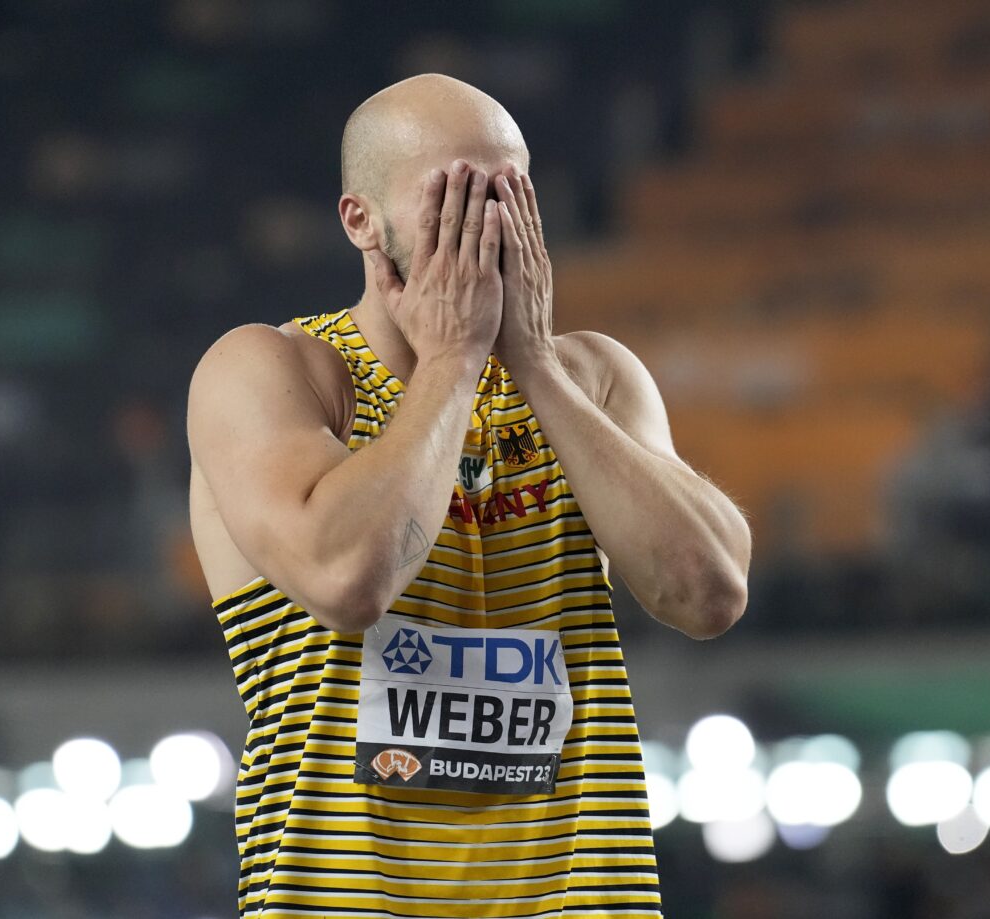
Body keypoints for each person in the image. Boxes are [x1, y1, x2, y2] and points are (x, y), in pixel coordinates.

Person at [186, 73, 751, 919]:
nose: (484, 222)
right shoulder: (273, 372)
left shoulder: (590, 376)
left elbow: (709, 592)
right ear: (360, 219)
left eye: (506, 192)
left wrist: (537, 368)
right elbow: (348, 577)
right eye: (453, 192)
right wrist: (451, 362)